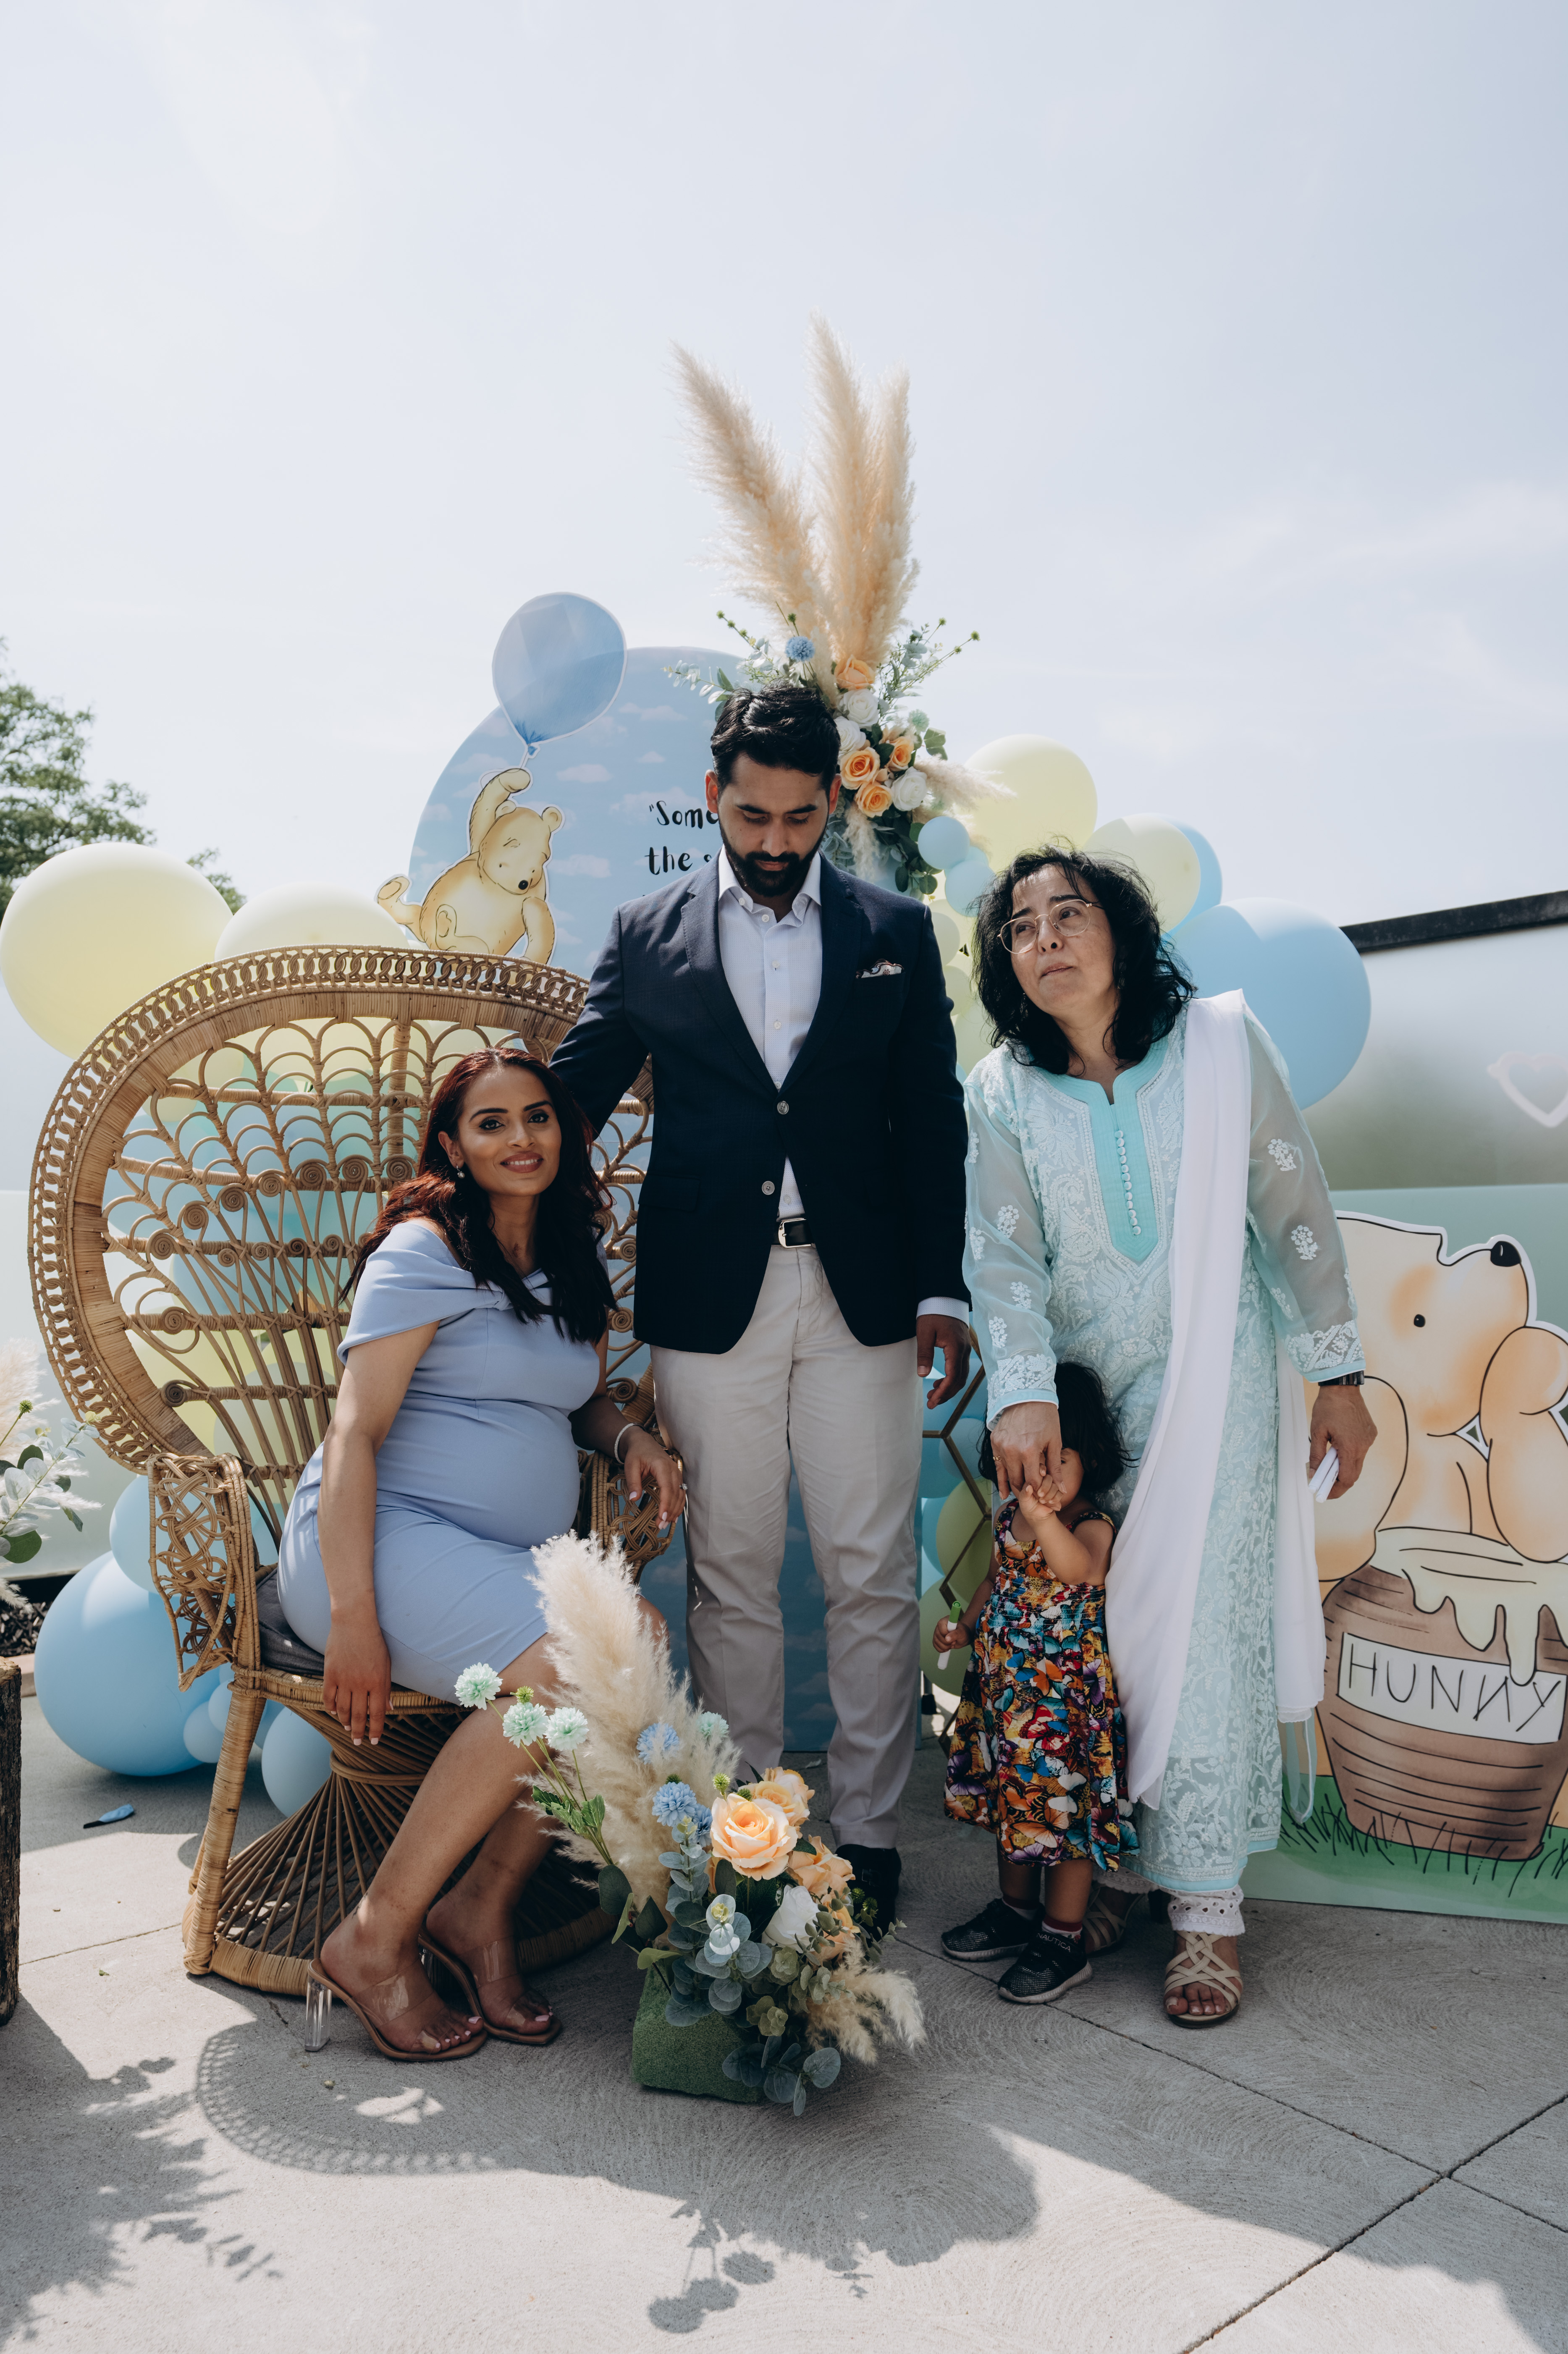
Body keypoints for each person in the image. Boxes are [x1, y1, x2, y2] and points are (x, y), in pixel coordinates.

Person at [549, 681, 971, 1924]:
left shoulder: (895, 927)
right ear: (712, 796)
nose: (776, 841)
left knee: (869, 1569)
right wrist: (461, 1183)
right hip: (707, 1292)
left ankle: (871, 1833)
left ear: (832, 801)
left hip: (863, 1292)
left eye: (799, 817)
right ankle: (754, 1839)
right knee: (729, 1570)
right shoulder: (644, 931)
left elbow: (930, 1117)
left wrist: (941, 1281)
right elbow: (574, 1096)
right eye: (752, 816)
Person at [962, 849, 1376, 2026]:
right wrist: (1022, 1393)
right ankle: (1115, 1871)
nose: (1045, 938)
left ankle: (1203, 1912)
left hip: (1219, 1379)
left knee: (1199, 1634)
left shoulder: (1219, 1047)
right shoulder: (1001, 1088)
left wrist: (1337, 1372)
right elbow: (1001, 1252)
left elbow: (1292, 1209)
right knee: (1097, 1637)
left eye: (1069, 913)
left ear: (1124, 933)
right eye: (1020, 927)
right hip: (1086, 1402)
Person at [277, 1048, 684, 2059]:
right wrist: (352, 1616)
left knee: (632, 1638)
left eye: (537, 1116)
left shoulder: (570, 1254)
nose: (520, 1138)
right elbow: (355, 1434)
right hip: (378, 1538)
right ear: (453, 1147)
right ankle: (374, 1937)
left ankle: (478, 1909)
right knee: (572, 1659)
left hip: (487, 1560)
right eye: (491, 1122)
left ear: (564, 1134)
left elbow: (564, 1398)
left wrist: (626, 1435)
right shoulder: (423, 1251)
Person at [934, 1361, 1137, 2004]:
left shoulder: (1087, 1525)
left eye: (1056, 1462)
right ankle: (1016, 1910)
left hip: (1062, 1711)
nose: (1039, 1481)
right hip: (1006, 1700)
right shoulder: (1006, 1520)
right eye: (1028, 1464)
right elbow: (995, 1581)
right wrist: (964, 1627)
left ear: (1089, 1459)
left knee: (1064, 1817)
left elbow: (1080, 1573)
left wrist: (1044, 1518)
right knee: (1012, 1808)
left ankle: (1062, 1936)